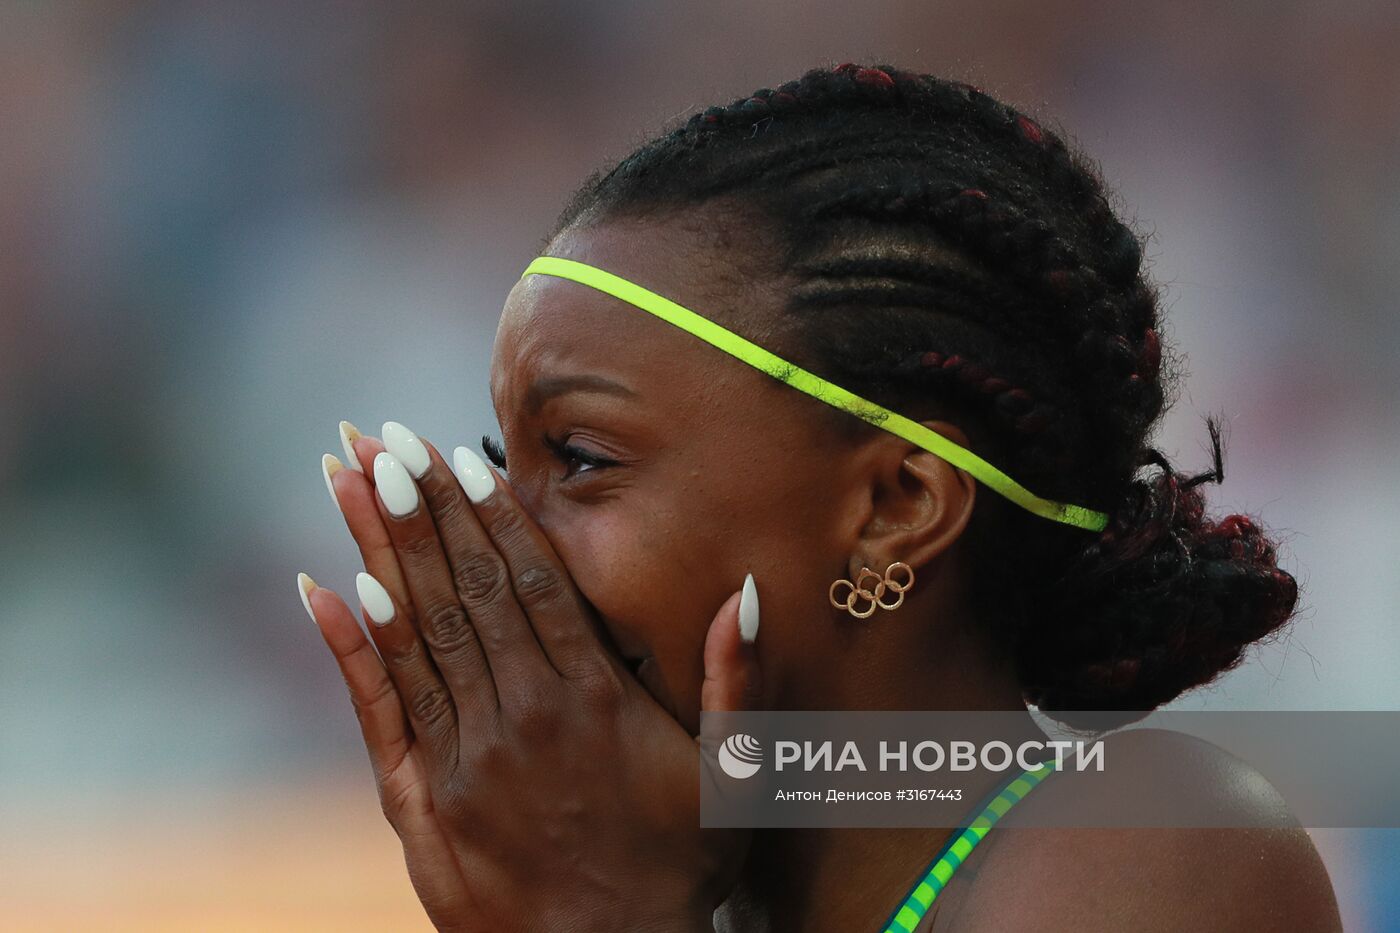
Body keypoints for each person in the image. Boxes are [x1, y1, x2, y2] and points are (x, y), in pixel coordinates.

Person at [298, 62, 1342, 931]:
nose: (501, 531)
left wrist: (603, 911)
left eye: (577, 457)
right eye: (499, 458)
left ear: (894, 502)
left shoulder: (1159, 841)